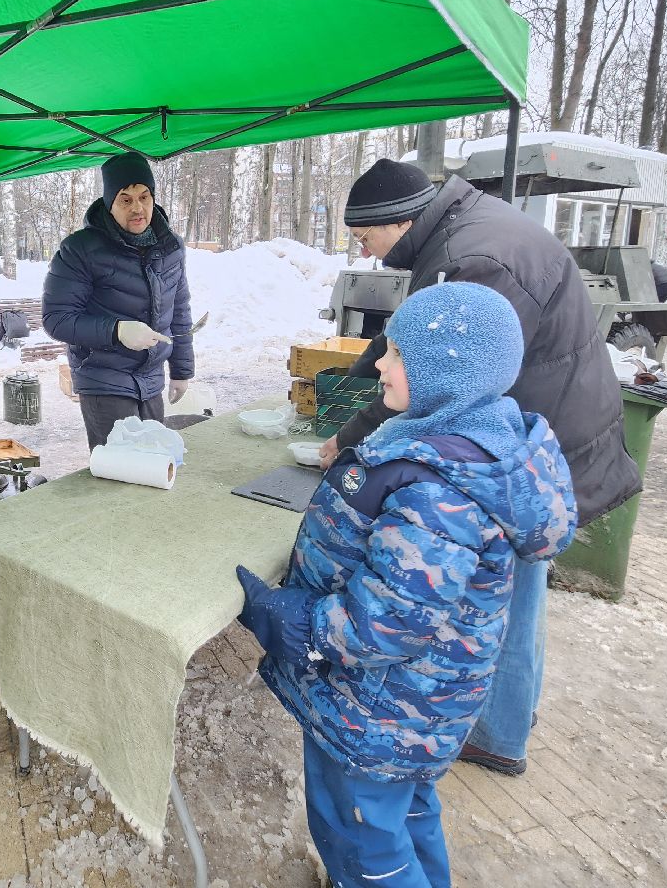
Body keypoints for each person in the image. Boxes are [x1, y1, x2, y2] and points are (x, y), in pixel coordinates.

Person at [237, 281, 578, 888]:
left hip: (379, 710)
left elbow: (389, 623)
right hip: (418, 707)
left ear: (446, 373)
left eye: (396, 355)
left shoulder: (437, 488)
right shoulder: (465, 440)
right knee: (408, 813)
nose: (381, 367)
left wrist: (295, 622)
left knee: (363, 838)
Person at [320, 157, 640, 777]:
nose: (364, 248)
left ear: (398, 220)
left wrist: (355, 437)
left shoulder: (477, 261)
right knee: (516, 590)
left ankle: (498, 734)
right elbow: (412, 350)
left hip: (520, 455)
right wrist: (371, 373)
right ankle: (510, 710)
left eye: (365, 236)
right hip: (535, 433)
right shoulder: (462, 233)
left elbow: (446, 376)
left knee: (509, 594)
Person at [42, 152, 195, 450]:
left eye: (144, 196)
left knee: (152, 464)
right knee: (120, 474)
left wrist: (181, 370)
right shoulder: (80, 249)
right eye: (125, 199)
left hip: (151, 379)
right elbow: (56, 319)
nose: (137, 208)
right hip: (103, 378)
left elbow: (179, 311)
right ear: (110, 204)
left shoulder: (170, 247)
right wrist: (117, 330)